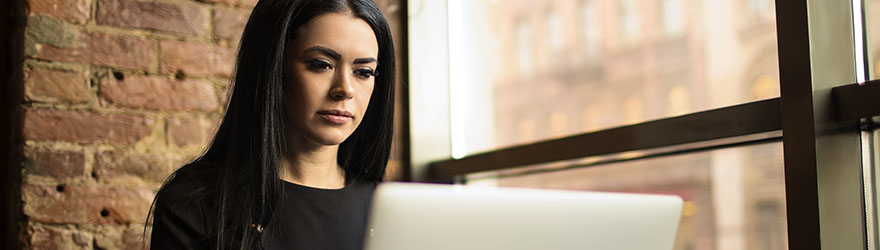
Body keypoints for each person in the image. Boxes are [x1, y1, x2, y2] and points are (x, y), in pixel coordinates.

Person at [147, 0, 395, 249]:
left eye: (363, 72)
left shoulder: (386, 208)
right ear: (273, 67)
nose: (345, 89)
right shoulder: (195, 203)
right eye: (321, 65)